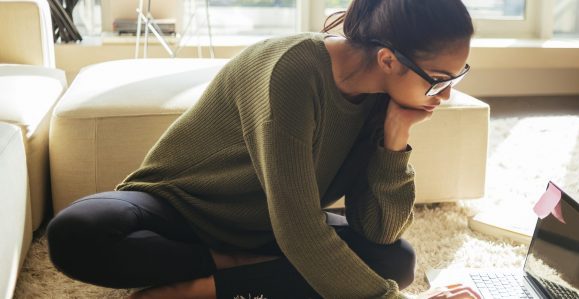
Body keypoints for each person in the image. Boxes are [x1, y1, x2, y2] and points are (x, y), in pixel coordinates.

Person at [46, 0, 478, 298]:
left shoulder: (387, 100)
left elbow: (377, 231)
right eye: (439, 80)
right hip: (182, 209)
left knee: (396, 260)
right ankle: (237, 267)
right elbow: (299, 231)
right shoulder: (291, 71)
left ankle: (206, 289)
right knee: (75, 234)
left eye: (456, 79)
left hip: (269, 227)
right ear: (388, 59)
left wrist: (394, 141)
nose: (446, 96)